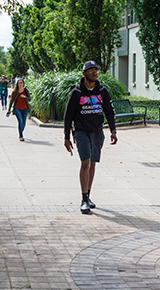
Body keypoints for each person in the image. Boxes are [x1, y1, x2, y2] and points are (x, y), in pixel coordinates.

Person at [63, 61, 117, 213]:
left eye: (96, 70)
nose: (94, 73)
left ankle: (88, 195)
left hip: (97, 132)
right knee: (85, 162)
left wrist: (113, 130)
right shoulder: (76, 92)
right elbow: (68, 116)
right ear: (84, 73)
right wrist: (66, 136)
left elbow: (109, 112)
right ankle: (84, 199)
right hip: (81, 132)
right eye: (91, 70)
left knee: (93, 164)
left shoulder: (102, 91)